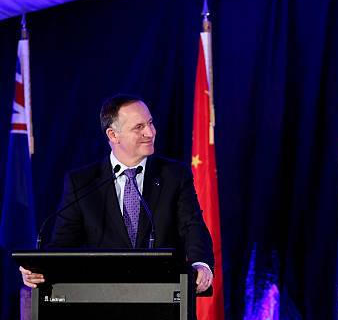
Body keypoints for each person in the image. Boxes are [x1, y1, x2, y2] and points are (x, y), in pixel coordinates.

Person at [19, 94, 214, 293]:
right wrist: (39, 268)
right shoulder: (82, 183)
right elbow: (62, 245)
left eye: (150, 123)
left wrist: (201, 264)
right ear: (113, 135)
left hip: (167, 301)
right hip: (105, 306)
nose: (150, 132)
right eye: (139, 127)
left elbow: (192, 226)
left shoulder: (174, 176)